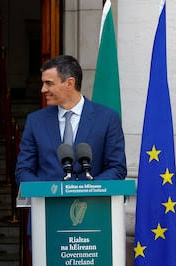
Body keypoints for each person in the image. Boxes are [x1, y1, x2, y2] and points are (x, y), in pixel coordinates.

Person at [15, 55, 126, 183]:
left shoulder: (107, 118)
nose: (43, 89)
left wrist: (89, 189)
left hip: (92, 196)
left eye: (49, 83)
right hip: (48, 196)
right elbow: (23, 171)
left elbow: (117, 168)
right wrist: (48, 191)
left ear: (70, 83)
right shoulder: (35, 121)